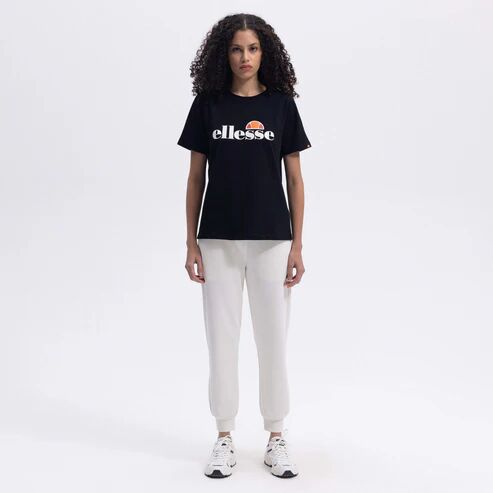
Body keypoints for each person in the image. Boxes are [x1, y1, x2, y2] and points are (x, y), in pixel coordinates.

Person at [177, 13, 312, 479]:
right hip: (218, 240)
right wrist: (191, 242)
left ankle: (276, 436)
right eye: (237, 49)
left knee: (273, 340)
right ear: (224, 54)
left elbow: (295, 180)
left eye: (253, 48)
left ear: (265, 52)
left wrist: (297, 245)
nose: (245, 57)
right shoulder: (208, 105)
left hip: (272, 240)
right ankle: (223, 437)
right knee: (221, 339)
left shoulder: (281, 106)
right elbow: (195, 178)